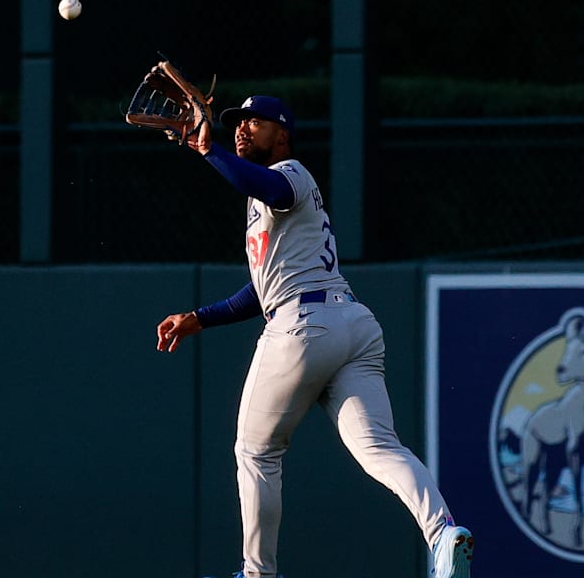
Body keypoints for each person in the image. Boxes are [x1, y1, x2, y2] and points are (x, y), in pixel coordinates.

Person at [154, 96, 474, 578]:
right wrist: (201, 316)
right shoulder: (262, 195)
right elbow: (261, 289)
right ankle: (443, 532)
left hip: (305, 327)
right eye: (237, 124)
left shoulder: (290, 173)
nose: (241, 130)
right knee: (379, 448)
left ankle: (258, 573)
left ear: (282, 134)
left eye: (254, 123)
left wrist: (208, 150)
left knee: (256, 452)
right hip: (350, 326)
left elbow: (265, 187)